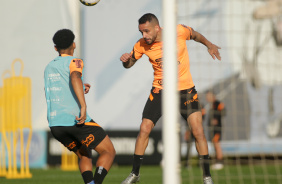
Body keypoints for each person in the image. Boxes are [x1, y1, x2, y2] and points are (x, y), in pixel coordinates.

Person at [119, 13, 221, 184]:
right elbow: (129, 64)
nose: (144, 35)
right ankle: (135, 174)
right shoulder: (141, 44)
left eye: (146, 31)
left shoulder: (179, 31)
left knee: (197, 131)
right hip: (161, 90)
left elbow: (195, 35)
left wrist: (209, 45)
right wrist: (125, 61)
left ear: (157, 28)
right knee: (144, 128)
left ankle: (207, 177)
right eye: (141, 32)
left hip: (185, 90)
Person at [44, 29, 115, 184]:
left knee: (84, 154)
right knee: (108, 151)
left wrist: (81, 88)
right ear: (74, 44)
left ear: (55, 48)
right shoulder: (75, 61)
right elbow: (75, 76)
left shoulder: (49, 67)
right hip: (75, 120)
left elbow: (58, 89)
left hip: (56, 125)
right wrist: (83, 105)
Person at [205, 91, 226, 170]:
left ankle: (220, 162)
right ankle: (217, 162)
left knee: (217, 144)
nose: (207, 97)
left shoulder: (217, 103)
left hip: (217, 128)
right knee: (214, 144)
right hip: (212, 128)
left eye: (208, 96)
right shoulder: (211, 105)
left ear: (213, 96)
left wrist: (216, 118)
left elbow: (223, 112)